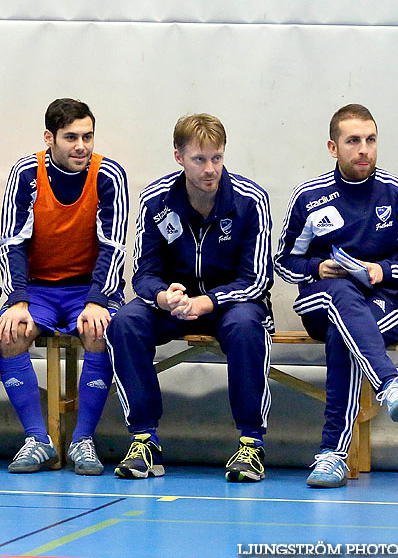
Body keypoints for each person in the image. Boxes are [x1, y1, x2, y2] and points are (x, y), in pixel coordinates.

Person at [274, 104, 398, 488]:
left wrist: (384, 271)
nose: (364, 149)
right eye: (353, 141)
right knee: (337, 291)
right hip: (321, 300)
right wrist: (318, 269)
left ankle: (332, 455)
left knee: (344, 335)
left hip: (384, 305)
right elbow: (283, 263)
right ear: (333, 148)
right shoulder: (310, 196)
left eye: (370, 140)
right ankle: (389, 383)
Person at [109, 113, 274, 483]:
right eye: (199, 159)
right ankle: (144, 441)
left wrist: (209, 301)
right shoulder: (156, 199)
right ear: (179, 157)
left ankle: (251, 444)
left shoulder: (251, 200)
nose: (210, 169)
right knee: (125, 322)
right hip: (175, 303)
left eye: (217, 158)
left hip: (231, 304)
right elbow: (143, 273)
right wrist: (164, 296)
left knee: (249, 325)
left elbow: (258, 278)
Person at [0, 98, 128, 475]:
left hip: (88, 289)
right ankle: (37, 440)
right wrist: (18, 299)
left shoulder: (108, 175)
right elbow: (12, 242)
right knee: (10, 333)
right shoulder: (26, 173)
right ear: (49, 137)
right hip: (38, 290)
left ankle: (82, 440)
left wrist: (98, 300)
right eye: (71, 137)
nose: (81, 146)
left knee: (99, 330)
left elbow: (113, 244)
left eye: (87, 136)